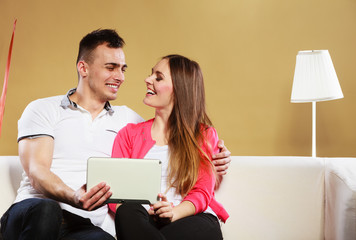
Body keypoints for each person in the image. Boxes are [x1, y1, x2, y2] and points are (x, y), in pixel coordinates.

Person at [0, 30, 231, 239]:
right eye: (111, 68)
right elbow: (37, 170)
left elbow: (172, 141)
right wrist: (73, 197)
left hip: (83, 226)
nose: (120, 76)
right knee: (47, 211)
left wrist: (216, 157)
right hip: (36, 211)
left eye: (123, 69)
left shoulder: (128, 121)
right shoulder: (44, 108)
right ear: (84, 68)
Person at [110, 54, 229, 240]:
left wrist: (172, 213)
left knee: (205, 229)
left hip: (190, 216)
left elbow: (202, 192)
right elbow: (116, 194)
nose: (147, 80)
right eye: (151, 75)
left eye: (158, 77)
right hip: (144, 220)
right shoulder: (129, 134)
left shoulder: (204, 135)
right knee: (127, 210)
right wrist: (149, 212)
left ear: (179, 90)